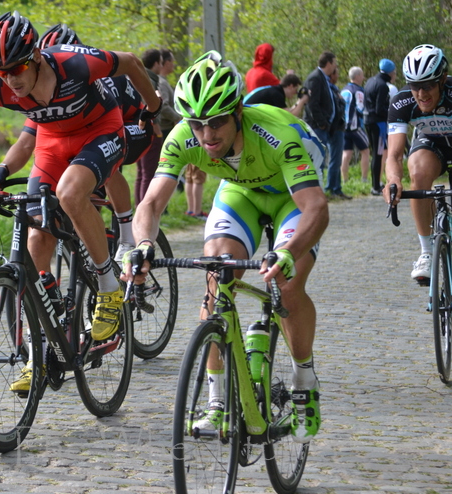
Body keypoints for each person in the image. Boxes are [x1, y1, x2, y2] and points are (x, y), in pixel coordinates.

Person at [123, 51, 329, 443]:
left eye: (216, 122)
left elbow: (316, 209)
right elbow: (149, 204)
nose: (207, 135)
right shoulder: (184, 136)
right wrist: (144, 245)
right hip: (242, 192)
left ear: (238, 111)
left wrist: (287, 253)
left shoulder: (276, 133)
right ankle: (217, 402)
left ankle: (304, 378)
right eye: (198, 124)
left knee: (288, 282)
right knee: (217, 273)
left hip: (292, 195)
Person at [0, 12, 161, 343]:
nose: (11, 80)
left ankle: (108, 288)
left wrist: (153, 106)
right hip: (53, 144)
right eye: (2, 72)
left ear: (35, 56)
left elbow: (131, 62)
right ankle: (42, 348)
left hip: (101, 130)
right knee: (37, 231)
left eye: (17, 68)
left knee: (70, 192)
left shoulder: (74, 63)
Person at [385, 44, 452, 341]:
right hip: (431, 148)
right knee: (416, 171)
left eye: (428, 85)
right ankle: (426, 253)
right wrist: (393, 181)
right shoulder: (400, 102)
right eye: (415, 86)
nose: (421, 94)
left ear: (442, 80)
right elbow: (394, 155)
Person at [134, 48, 165, 206]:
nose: (162, 65)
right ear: (155, 64)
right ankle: (145, 210)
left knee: (141, 173)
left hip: (136, 131)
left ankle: (139, 207)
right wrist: (157, 131)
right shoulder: (149, 80)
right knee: (149, 173)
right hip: (149, 131)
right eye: (161, 62)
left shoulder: (137, 75)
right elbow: (151, 107)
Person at [304, 51, 337, 190]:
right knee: (317, 161)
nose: (336, 66)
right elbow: (312, 103)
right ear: (328, 63)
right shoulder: (315, 78)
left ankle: (321, 188)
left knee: (322, 159)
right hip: (317, 127)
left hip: (324, 126)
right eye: (334, 62)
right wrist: (322, 123)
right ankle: (317, 190)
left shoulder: (323, 78)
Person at [365, 58, 396, 196]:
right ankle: (375, 186)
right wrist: (393, 113)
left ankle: (376, 183)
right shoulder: (383, 85)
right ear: (391, 73)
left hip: (368, 121)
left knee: (375, 154)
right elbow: (379, 109)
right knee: (378, 155)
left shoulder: (370, 81)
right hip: (378, 123)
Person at [340, 66, 370, 184]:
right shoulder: (358, 91)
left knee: (346, 153)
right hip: (355, 126)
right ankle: (364, 179)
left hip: (344, 126)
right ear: (357, 76)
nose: (363, 77)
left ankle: (345, 180)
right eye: (362, 75)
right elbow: (360, 109)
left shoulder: (344, 90)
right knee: (366, 151)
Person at [326, 66, 350, 199]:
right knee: (335, 159)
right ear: (331, 75)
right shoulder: (330, 90)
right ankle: (332, 188)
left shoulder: (334, 90)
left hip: (339, 128)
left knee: (337, 159)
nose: (338, 76)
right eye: (337, 73)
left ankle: (336, 188)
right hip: (335, 129)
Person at [243, 73, 309, 117]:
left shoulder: (276, 90)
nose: (296, 92)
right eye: (296, 89)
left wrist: (299, 100)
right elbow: (289, 117)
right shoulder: (276, 94)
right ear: (290, 86)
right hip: (246, 115)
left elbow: (288, 111)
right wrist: (302, 101)